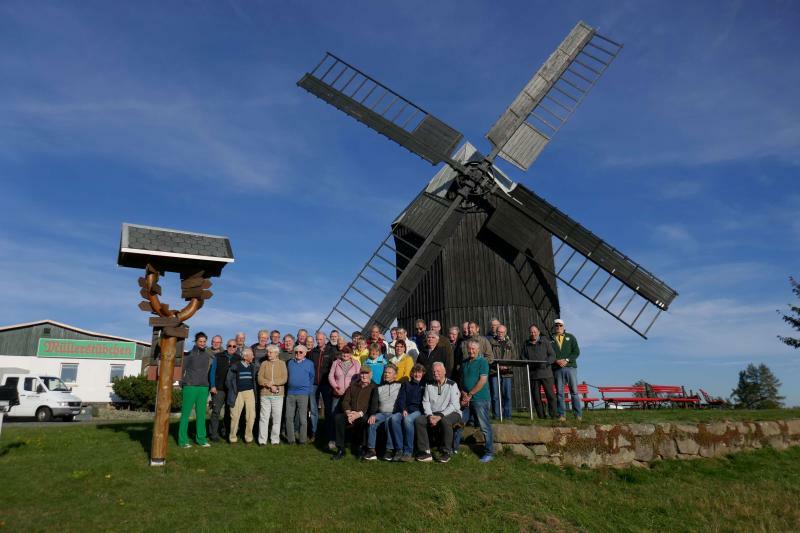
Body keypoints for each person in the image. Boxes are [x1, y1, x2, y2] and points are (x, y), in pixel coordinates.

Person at [414, 362, 461, 462]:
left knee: (445, 421)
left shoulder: (452, 385)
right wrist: (430, 415)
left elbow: (454, 405)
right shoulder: (429, 385)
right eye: (434, 371)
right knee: (419, 420)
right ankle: (425, 452)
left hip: (452, 413)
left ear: (444, 372)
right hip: (433, 413)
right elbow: (425, 402)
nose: (436, 373)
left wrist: (440, 416)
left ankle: (446, 452)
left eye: (438, 371)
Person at [457, 340, 494, 462]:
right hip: (466, 399)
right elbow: (461, 380)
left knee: (484, 426)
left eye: (473, 349)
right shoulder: (464, 363)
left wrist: (470, 394)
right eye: (469, 348)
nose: (471, 351)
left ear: (478, 350)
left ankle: (489, 452)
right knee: (459, 422)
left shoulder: (482, 362)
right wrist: (463, 393)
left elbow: (482, 380)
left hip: (480, 399)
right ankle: (453, 448)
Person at [331, 367, 377, 460]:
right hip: (350, 413)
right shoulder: (353, 385)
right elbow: (345, 401)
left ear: (371, 374)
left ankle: (360, 447)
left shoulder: (374, 387)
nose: (363, 375)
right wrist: (348, 412)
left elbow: (372, 404)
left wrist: (359, 414)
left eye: (366, 373)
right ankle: (341, 448)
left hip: (363, 414)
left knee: (364, 421)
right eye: (362, 373)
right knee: (338, 418)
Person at [178, 332, 214, 449]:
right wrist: (183, 383)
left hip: (203, 388)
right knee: (185, 414)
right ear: (196, 342)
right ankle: (183, 440)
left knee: (201, 415)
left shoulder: (208, 355)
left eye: (204, 341)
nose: (203, 343)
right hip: (190, 387)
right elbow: (181, 370)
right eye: (200, 341)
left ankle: (201, 439)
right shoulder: (189, 355)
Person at [364, 364, 402, 461]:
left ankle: (389, 450)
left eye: (389, 373)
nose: (386, 374)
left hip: (394, 413)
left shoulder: (400, 386)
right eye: (385, 372)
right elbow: (374, 403)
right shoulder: (378, 388)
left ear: (395, 375)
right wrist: (373, 414)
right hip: (381, 413)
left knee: (389, 421)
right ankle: (371, 450)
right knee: (372, 422)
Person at [390, 364, 426, 462]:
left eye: (419, 372)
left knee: (407, 420)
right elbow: (401, 398)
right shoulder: (406, 384)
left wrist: (410, 411)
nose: (417, 374)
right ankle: (399, 449)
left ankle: (408, 451)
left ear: (423, 374)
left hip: (417, 411)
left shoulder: (424, 386)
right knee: (394, 419)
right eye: (415, 372)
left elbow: (423, 403)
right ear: (411, 373)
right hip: (404, 410)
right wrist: (403, 409)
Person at [328, 345, 362, 450]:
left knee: (348, 417)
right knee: (334, 416)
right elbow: (331, 376)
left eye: (347, 353)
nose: (345, 355)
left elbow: (358, 377)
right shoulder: (336, 363)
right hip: (337, 394)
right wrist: (336, 387)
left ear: (351, 354)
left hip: (350, 395)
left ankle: (348, 440)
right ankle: (333, 439)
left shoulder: (356, 363)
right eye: (343, 353)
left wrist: (351, 390)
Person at [522, 324, 557, 419]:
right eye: (531, 332)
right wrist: (526, 362)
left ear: (538, 332)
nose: (533, 334)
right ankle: (541, 416)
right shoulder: (526, 343)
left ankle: (553, 415)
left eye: (535, 332)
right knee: (536, 397)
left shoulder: (545, 342)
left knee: (551, 396)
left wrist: (546, 363)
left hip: (546, 373)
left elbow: (552, 355)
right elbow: (523, 356)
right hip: (533, 374)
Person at [208, 338, 238, 442]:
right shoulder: (218, 356)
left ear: (236, 348)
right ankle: (213, 434)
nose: (232, 348)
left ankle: (225, 432)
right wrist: (212, 385)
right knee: (216, 412)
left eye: (234, 346)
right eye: (230, 346)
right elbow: (212, 371)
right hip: (219, 389)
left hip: (231, 390)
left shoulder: (238, 358)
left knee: (229, 412)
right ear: (226, 346)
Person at [552, 318, 582, 422]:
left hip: (570, 367)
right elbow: (548, 353)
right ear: (554, 327)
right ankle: (562, 415)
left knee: (574, 391)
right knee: (559, 393)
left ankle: (577, 414)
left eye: (560, 326)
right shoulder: (550, 339)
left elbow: (576, 351)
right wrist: (556, 360)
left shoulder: (571, 337)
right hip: (557, 368)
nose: (558, 327)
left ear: (563, 327)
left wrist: (567, 360)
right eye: (556, 326)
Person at [257, 345, 287, 445]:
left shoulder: (282, 363)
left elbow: (284, 378)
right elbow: (260, 378)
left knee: (277, 418)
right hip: (265, 394)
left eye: (270, 352)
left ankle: (275, 440)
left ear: (276, 353)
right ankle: (262, 440)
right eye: (268, 352)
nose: (268, 354)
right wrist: (268, 385)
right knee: (264, 418)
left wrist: (273, 383)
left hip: (278, 395)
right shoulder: (264, 363)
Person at [285, 344, 315, 444]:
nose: (298, 354)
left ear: (305, 353)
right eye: (296, 352)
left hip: (303, 394)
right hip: (290, 393)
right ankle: (291, 439)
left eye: (300, 352)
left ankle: (302, 440)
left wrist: (307, 390)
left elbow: (311, 377)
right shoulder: (290, 363)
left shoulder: (309, 363)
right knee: (289, 417)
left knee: (303, 418)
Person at [308, 331, 335, 442]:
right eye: (317, 339)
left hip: (326, 384)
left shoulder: (331, 351)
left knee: (328, 410)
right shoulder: (313, 352)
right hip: (314, 384)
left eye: (320, 339)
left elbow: (333, 368)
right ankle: (314, 432)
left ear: (325, 339)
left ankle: (328, 434)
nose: (319, 341)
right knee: (314, 409)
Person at [227, 347, 257, 444]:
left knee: (251, 416)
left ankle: (248, 438)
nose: (253, 356)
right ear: (245, 356)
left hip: (250, 393)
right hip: (238, 393)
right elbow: (228, 381)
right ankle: (232, 438)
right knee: (235, 416)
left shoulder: (252, 366)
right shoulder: (235, 366)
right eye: (251, 355)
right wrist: (233, 390)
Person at [489, 324, 517, 419]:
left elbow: (514, 358)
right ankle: (496, 415)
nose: (500, 334)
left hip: (507, 373)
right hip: (494, 372)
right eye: (499, 332)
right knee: (495, 396)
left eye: (502, 332)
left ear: (505, 333)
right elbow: (488, 357)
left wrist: (507, 366)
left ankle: (507, 415)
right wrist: (496, 366)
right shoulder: (491, 343)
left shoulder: (510, 343)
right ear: (496, 332)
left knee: (507, 395)